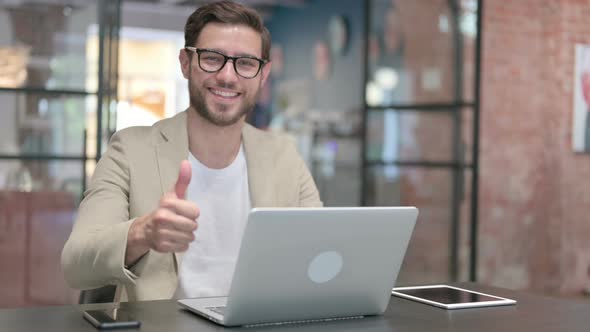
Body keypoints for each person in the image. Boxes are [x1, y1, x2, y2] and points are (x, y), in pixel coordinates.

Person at [61, 0, 322, 302]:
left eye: (247, 63)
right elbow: (75, 265)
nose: (228, 76)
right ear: (186, 63)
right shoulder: (130, 150)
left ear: (263, 75)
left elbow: (320, 252)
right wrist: (143, 233)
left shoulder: (283, 155)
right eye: (212, 58)